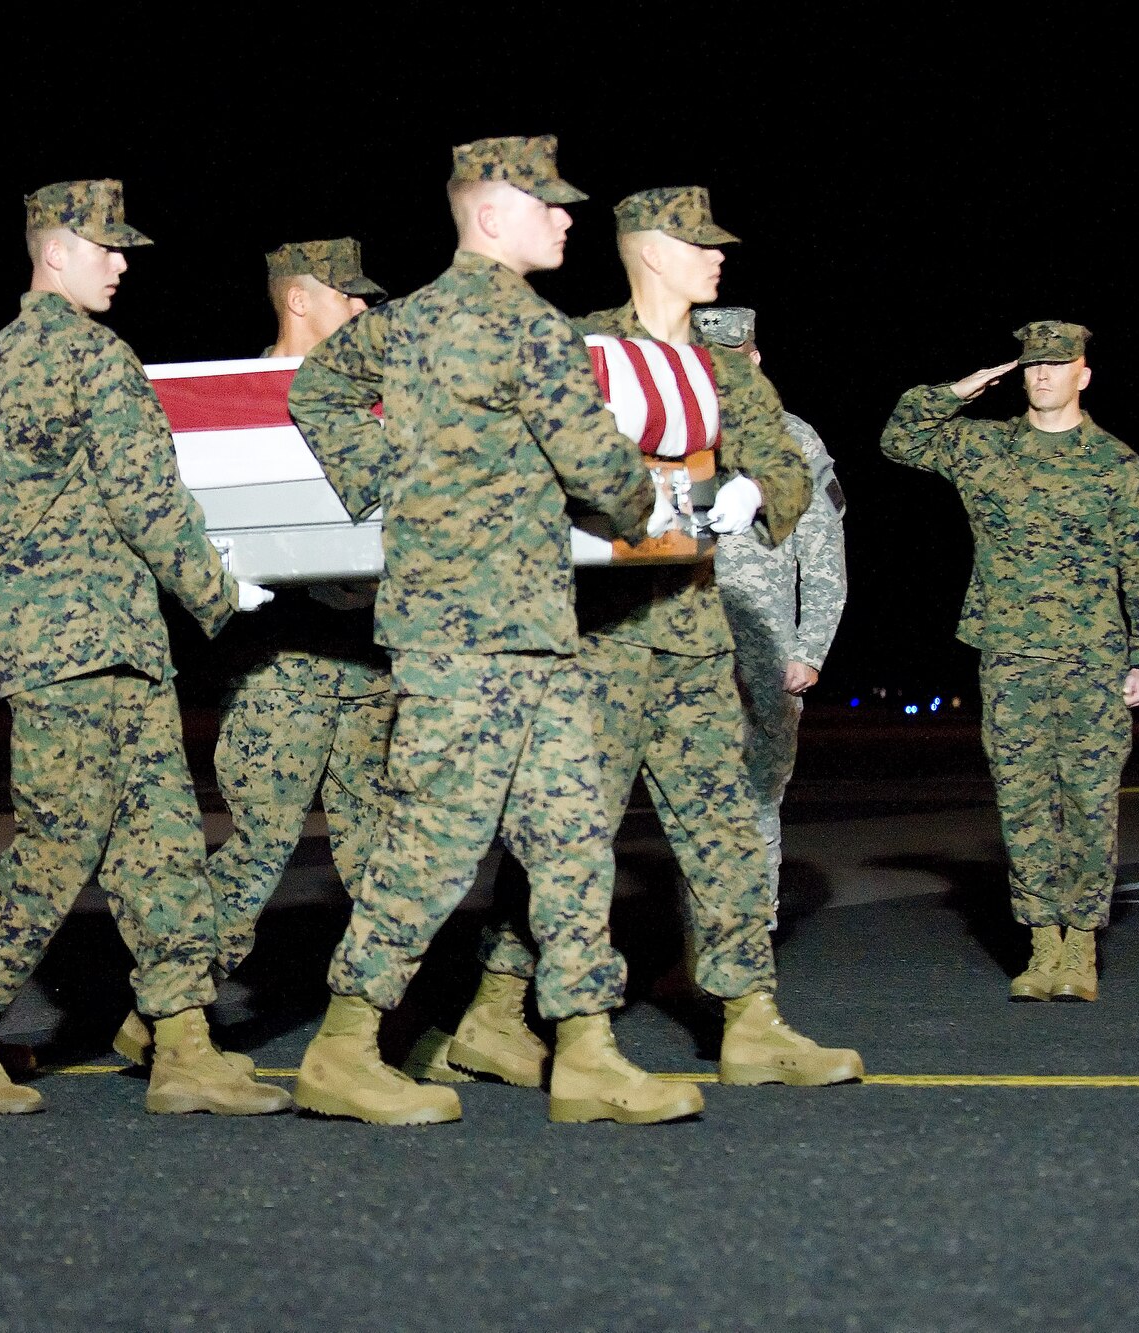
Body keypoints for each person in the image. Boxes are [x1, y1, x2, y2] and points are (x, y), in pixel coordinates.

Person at [287, 135, 693, 1127]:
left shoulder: (409, 323)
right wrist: (661, 504)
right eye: (547, 205)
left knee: (568, 842)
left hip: (506, 635)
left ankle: (587, 1050)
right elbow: (603, 476)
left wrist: (382, 478)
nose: (564, 219)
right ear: (490, 214)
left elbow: (313, 387)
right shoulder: (532, 331)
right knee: (432, 844)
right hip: (483, 639)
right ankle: (342, 1047)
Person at [0, 180, 290, 1116]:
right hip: (98, 646)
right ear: (54, 252)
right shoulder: (93, 357)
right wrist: (216, 588)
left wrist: (11, 623)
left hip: (70, 649)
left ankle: (185, 1045)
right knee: (60, 843)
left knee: (159, 844)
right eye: (106, 248)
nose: (122, 264)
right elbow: (148, 498)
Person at [566, 187, 862, 1088]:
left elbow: (781, 457)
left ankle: (750, 1017)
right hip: (604, 635)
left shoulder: (724, 366)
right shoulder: (580, 348)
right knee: (572, 836)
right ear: (651, 250)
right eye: (700, 243)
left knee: (728, 828)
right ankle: (545, 1023)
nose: (719, 255)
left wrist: (756, 489)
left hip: (699, 633)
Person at [111, 238, 401, 1070]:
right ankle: (168, 1014)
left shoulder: (376, 403)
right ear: (300, 299)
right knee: (255, 853)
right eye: (349, 298)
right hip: (280, 664)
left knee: (384, 854)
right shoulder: (229, 412)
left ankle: (381, 1029)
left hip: (369, 657)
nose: (364, 312)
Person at [880, 321, 1139, 1002]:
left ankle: (1082, 947)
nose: (1042, 374)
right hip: (1010, 657)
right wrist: (958, 390)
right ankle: (1042, 944)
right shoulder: (988, 448)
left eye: (1057, 363)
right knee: (1025, 804)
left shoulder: (1116, 464)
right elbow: (901, 439)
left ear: (1083, 374)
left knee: (1089, 805)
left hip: (1095, 658)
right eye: (1032, 364)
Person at [692, 305, 848, 918]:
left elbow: (824, 552)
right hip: (684, 645)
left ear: (754, 358)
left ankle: (750, 937)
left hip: (765, 648)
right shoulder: (671, 435)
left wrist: (811, 648)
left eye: (734, 360)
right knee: (694, 796)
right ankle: (707, 932)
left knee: (758, 795)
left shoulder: (793, 440)